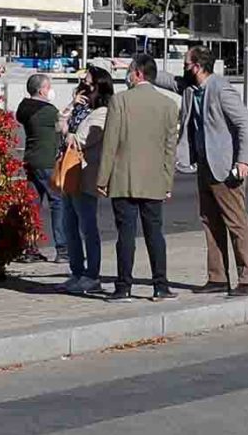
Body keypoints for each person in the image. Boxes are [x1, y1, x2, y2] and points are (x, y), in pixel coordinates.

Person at [94, 54, 181, 301]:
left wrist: (102, 179)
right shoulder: (168, 105)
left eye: (130, 71)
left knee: (125, 235)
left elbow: (110, 144)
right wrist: (167, 181)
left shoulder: (120, 101)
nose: (128, 76)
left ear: (138, 73)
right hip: (154, 180)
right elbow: (170, 149)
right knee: (155, 233)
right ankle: (160, 285)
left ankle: (123, 287)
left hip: (124, 178)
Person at [177, 46, 248, 293]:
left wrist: (244, 161)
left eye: (186, 64)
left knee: (236, 222)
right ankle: (218, 278)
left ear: (197, 67)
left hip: (225, 166)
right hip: (204, 164)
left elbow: (246, 122)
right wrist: (140, 65)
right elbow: (169, 81)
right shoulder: (192, 89)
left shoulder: (221, 89)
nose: (183, 69)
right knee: (210, 220)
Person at [58, 66, 111, 292]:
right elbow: (60, 126)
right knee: (69, 225)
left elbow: (79, 140)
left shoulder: (101, 113)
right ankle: (76, 271)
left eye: (88, 82)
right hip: (70, 172)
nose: (83, 85)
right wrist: (71, 107)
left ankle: (92, 275)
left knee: (87, 227)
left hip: (86, 174)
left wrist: (66, 128)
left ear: (98, 85)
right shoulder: (81, 109)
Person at [16, 73, 65, 263]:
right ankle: (62, 249)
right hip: (46, 161)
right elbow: (61, 127)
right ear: (41, 90)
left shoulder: (24, 108)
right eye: (48, 86)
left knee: (33, 205)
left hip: (31, 159)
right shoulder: (48, 111)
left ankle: (30, 248)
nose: (50, 90)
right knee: (58, 202)